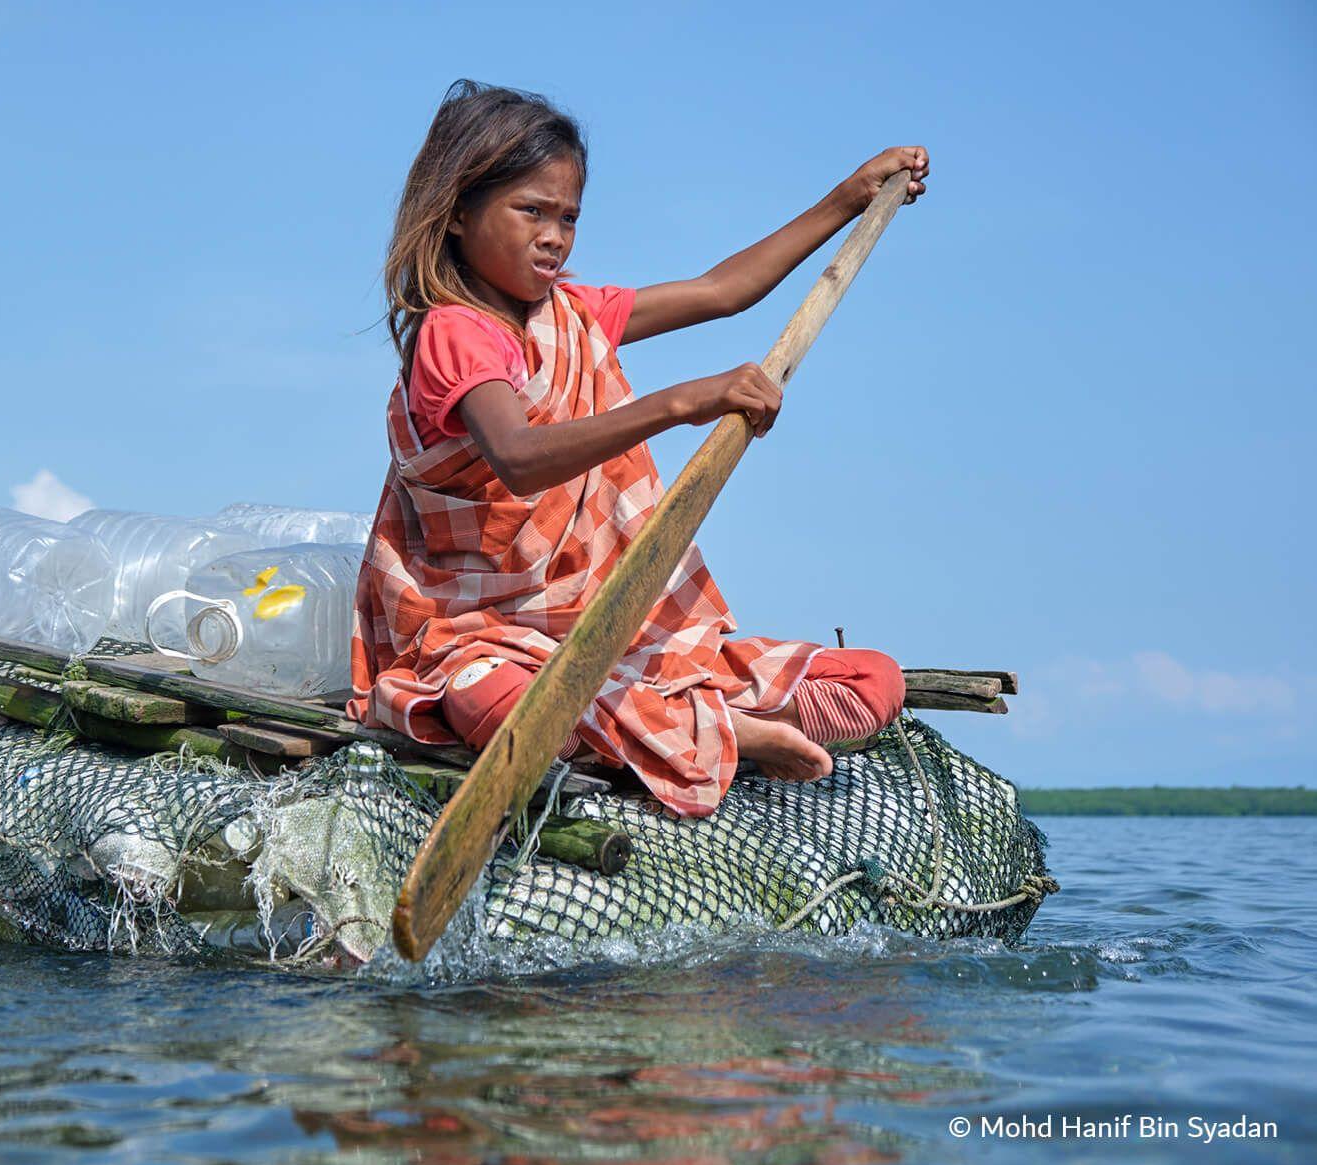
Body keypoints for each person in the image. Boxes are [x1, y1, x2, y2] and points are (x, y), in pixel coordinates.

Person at [348, 79, 928, 817]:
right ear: (460, 211)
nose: (554, 236)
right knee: (502, 707)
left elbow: (724, 290)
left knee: (873, 680)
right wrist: (682, 402)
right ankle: (725, 735)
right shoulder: (455, 332)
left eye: (569, 217)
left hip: (598, 647)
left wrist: (850, 197)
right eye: (531, 211)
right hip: (477, 636)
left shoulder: (573, 315)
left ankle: (686, 727)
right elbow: (519, 456)